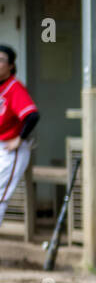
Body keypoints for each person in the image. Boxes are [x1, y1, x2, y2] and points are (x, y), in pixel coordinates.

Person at [0, 44, 39, 227]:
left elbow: (32, 115)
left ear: (11, 66)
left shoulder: (14, 87)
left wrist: (20, 139)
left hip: (10, 149)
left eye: (1, 60)